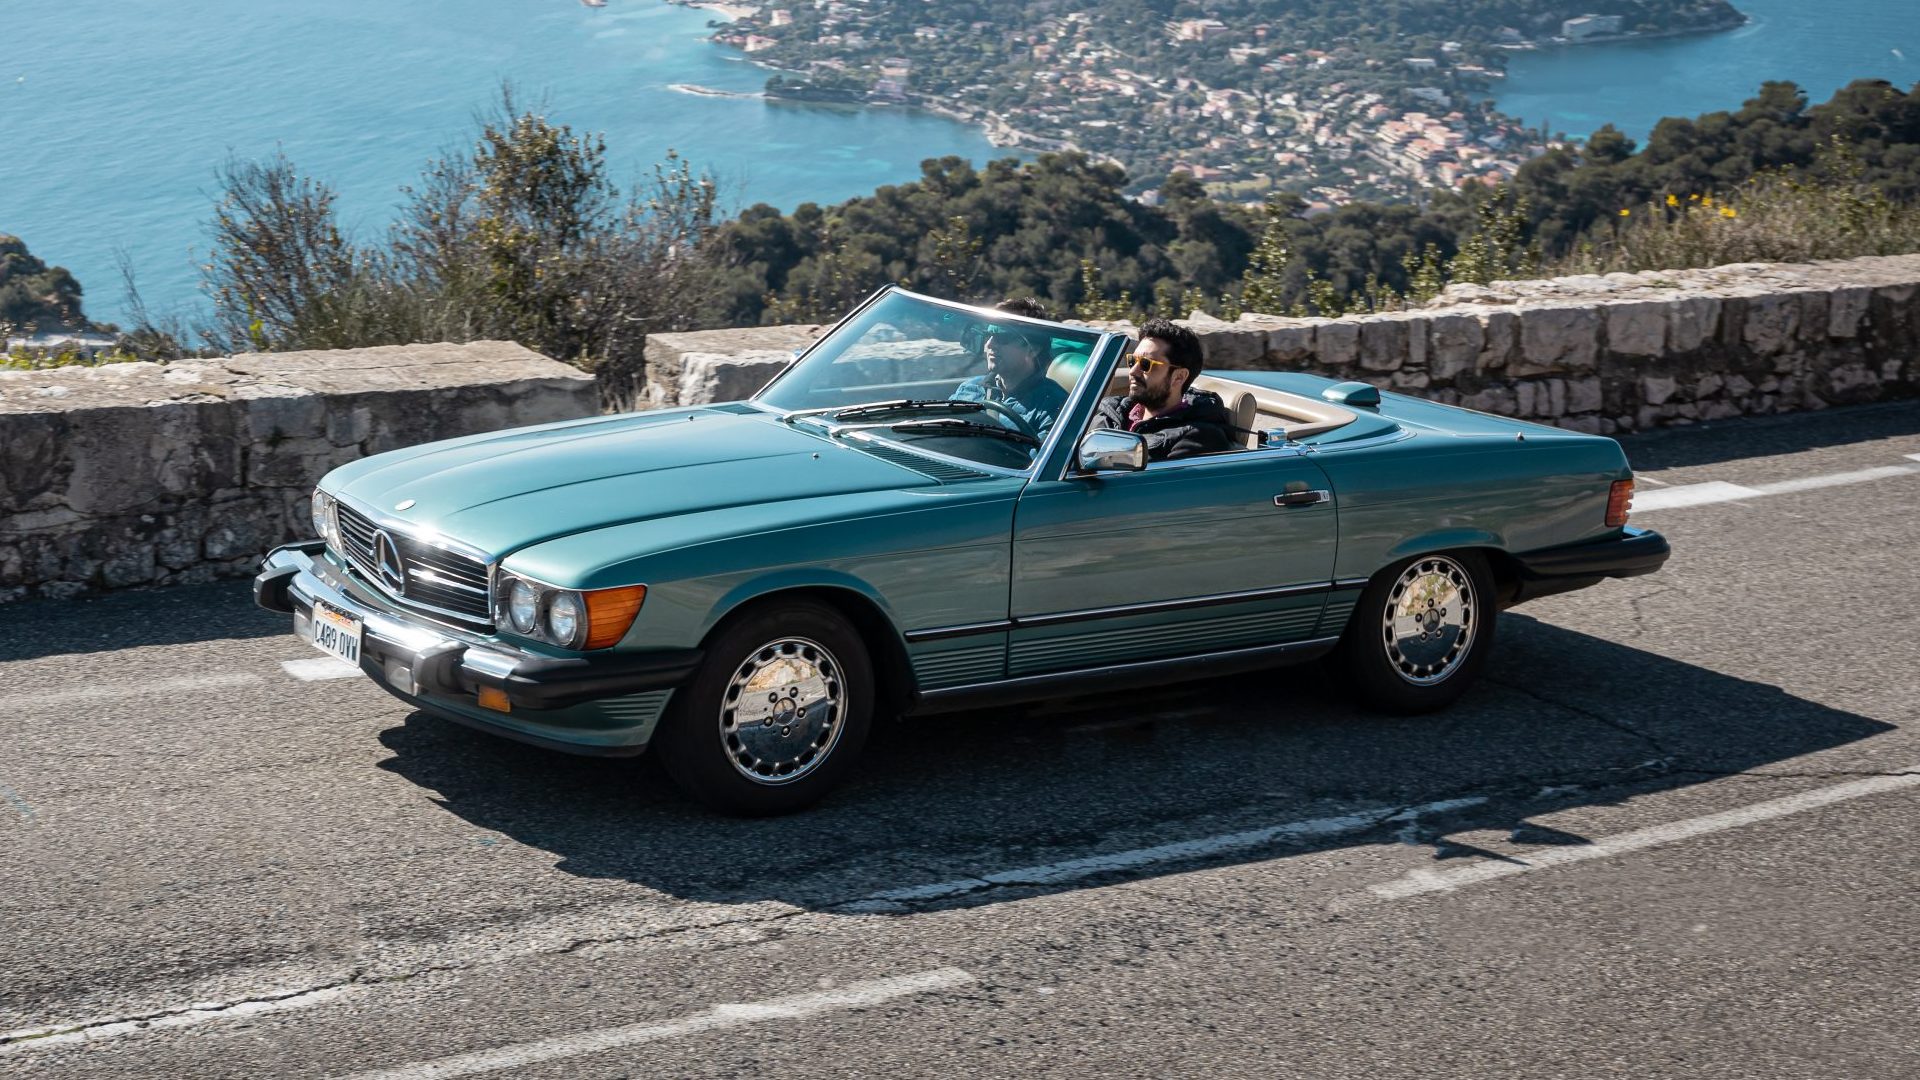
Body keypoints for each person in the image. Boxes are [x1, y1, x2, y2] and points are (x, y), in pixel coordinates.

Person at [1091, 317, 1236, 461]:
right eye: (1132, 361)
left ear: (1179, 377)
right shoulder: (1110, 413)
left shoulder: (1197, 438)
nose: (1133, 371)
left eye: (1146, 364)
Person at [951, 297, 1069, 433]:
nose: (989, 344)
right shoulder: (969, 388)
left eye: (1003, 338)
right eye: (988, 335)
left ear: (1033, 349)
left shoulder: (1054, 407)